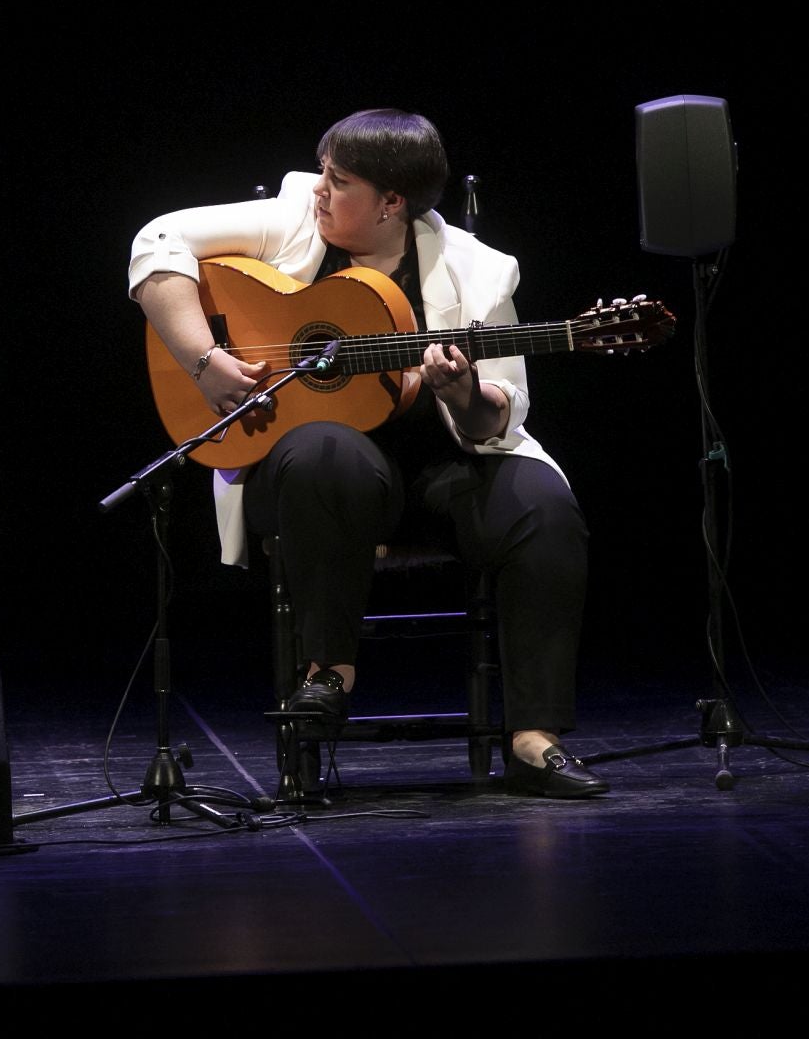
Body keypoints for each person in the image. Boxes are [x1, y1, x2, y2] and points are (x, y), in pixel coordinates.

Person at [128, 108, 606, 797]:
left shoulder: (479, 270)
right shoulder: (294, 217)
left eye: (340, 180)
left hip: (442, 472)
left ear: (391, 203)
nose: (319, 188)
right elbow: (156, 241)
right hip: (312, 481)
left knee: (544, 505)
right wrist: (203, 360)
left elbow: (500, 415)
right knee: (330, 450)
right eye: (323, 171)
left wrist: (464, 393)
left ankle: (535, 738)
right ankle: (329, 674)